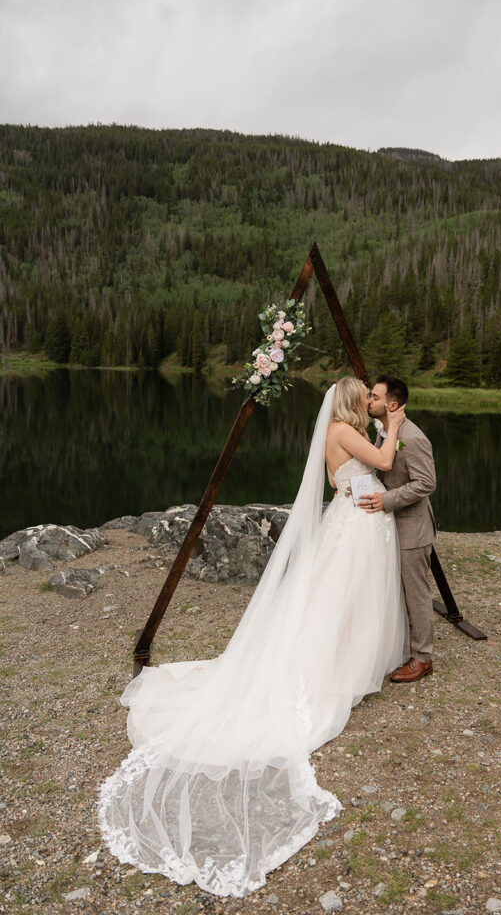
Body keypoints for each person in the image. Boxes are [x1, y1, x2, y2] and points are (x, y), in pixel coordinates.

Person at [98, 378, 408, 898]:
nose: (368, 404)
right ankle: (329, 667)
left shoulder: (335, 430)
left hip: (352, 521)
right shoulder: (345, 433)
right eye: (364, 398)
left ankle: (348, 658)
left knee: (340, 600)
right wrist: (393, 427)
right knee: (337, 601)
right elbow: (380, 462)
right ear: (355, 404)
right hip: (354, 526)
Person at [359, 375, 437, 683]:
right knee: (397, 590)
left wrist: (386, 500)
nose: (369, 401)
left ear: (392, 405)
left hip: (412, 529)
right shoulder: (385, 431)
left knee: (416, 593)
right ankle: (404, 646)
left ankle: (423, 658)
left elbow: (427, 483)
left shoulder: (413, 437)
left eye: (374, 397)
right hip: (391, 525)